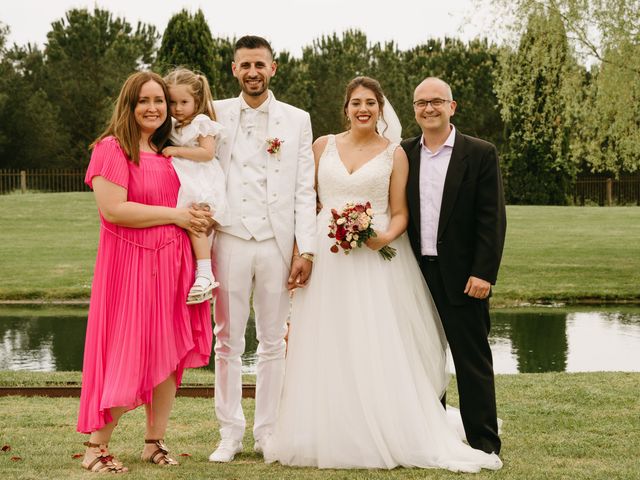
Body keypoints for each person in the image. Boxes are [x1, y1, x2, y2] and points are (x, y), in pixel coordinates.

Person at [262, 76, 502, 472]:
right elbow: (307, 201)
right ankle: (341, 428)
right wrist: (303, 250)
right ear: (346, 107)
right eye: (356, 102)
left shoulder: (419, 153)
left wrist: (380, 235)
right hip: (335, 260)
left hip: (397, 261)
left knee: (432, 349)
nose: (363, 109)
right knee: (340, 344)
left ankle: (480, 439)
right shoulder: (334, 146)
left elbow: (471, 218)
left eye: (370, 103)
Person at [77, 71, 214, 473]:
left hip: (175, 267)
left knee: (169, 356)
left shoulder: (169, 152)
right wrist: (177, 215)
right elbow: (114, 210)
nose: (154, 108)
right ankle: (95, 448)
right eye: (144, 101)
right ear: (129, 105)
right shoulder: (111, 149)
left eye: (161, 101)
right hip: (131, 268)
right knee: (129, 352)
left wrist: (199, 215)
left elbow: (193, 199)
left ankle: (153, 441)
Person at [208, 35, 316, 463]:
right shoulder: (214, 112)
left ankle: (267, 432)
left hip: (275, 242)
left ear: (274, 68)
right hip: (229, 238)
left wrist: (304, 249)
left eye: (260, 64)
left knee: (274, 342)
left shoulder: (297, 120)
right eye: (245, 65)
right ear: (234, 69)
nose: (253, 72)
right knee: (227, 341)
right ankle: (229, 433)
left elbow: (305, 188)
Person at [401, 77, 507, 455]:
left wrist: (484, 273)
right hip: (414, 276)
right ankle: (432, 439)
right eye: (420, 103)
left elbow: (491, 219)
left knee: (471, 361)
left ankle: (484, 442)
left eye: (436, 102)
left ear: (452, 106)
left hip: (464, 277)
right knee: (424, 362)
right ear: (413, 110)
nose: (428, 109)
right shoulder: (403, 152)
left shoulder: (479, 153)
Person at [163, 68, 228, 305]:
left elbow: (207, 153)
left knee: (195, 220)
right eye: (172, 102)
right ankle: (194, 273)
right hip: (185, 178)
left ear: (197, 101)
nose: (177, 108)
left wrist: (177, 150)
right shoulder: (170, 123)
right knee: (183, 223)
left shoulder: (201, 122)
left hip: (201, 180)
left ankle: (205, 272)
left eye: (184, 102)